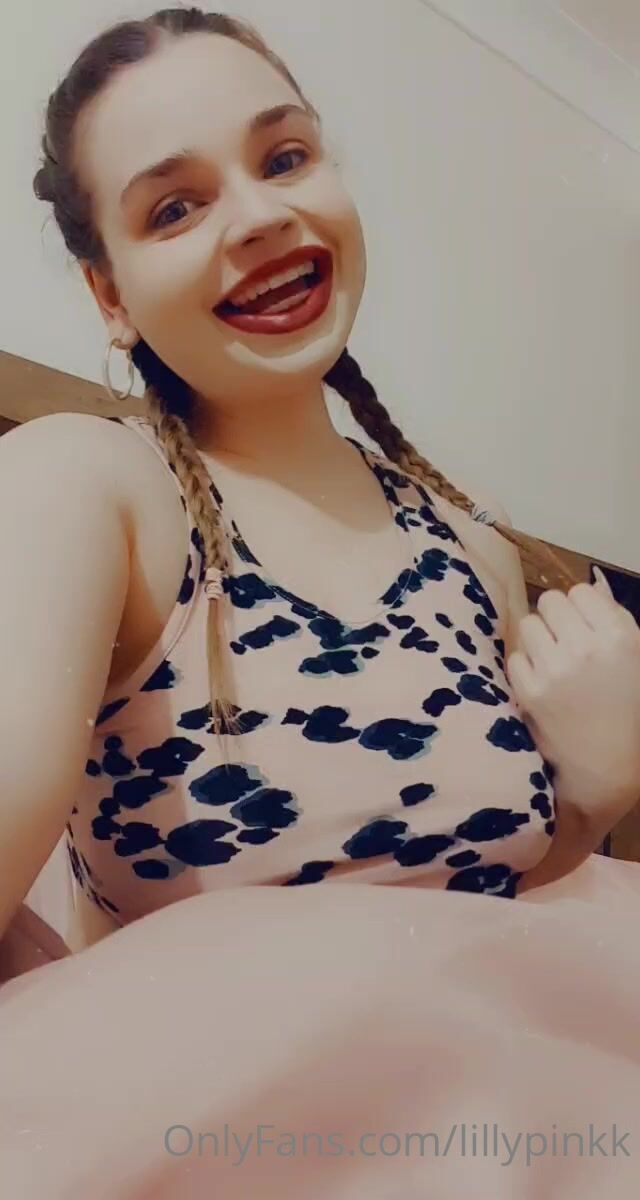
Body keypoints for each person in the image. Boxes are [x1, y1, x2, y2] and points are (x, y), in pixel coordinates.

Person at [2, 6, 640, 959]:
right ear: (110, 295)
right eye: (175, 208)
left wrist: (592, 797)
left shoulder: (473, 541)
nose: (262, 216)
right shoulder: (84, 488)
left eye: (285, 158)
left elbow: (479, 897)